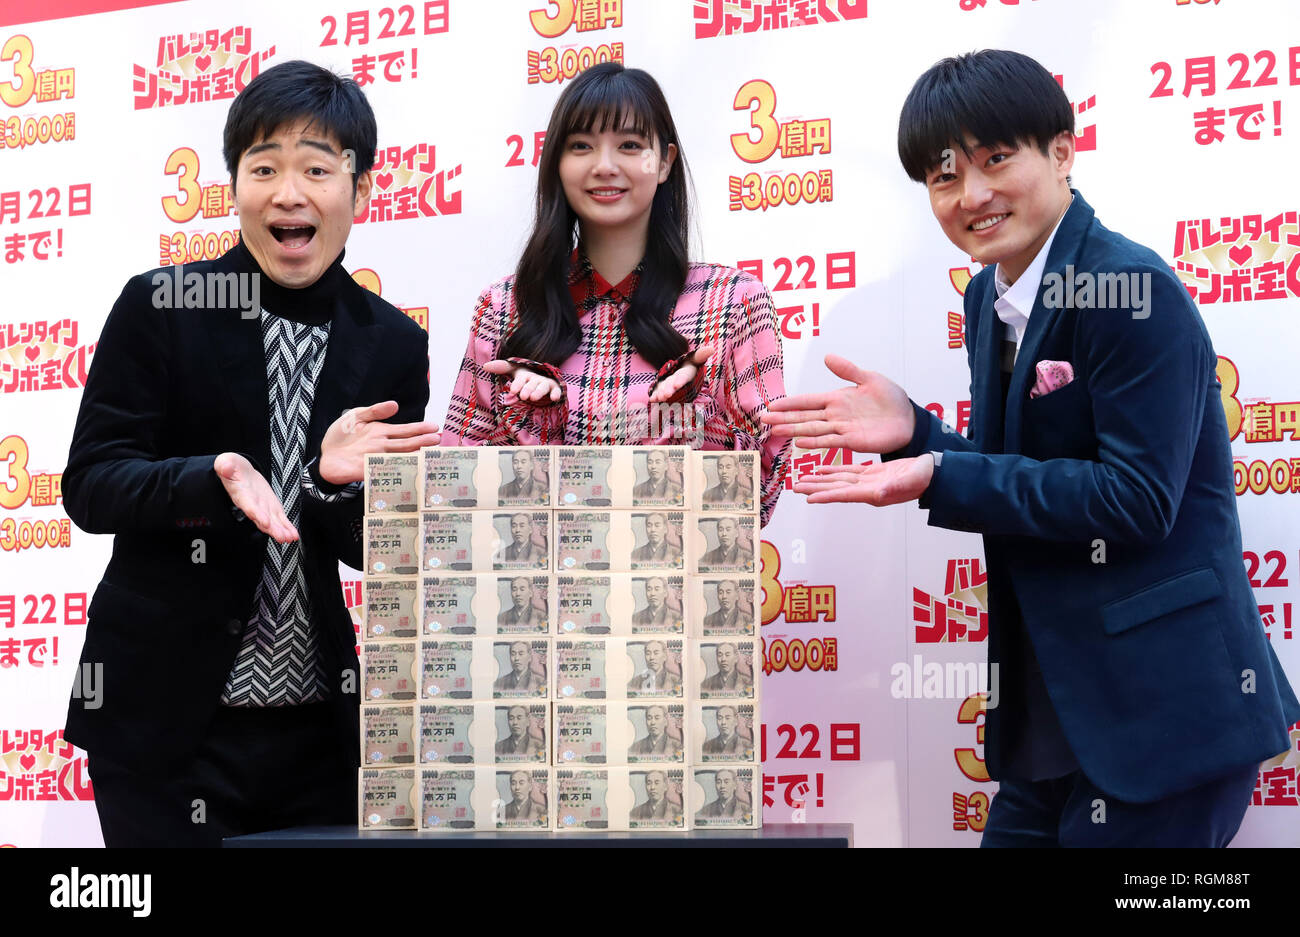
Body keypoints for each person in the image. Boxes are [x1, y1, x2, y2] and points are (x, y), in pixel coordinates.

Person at [764, 49, 1300, 848]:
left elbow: (1134, 500)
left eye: (996, 158)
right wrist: (918, 430)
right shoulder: (991, 293)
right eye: (946, 176)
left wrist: (939, 469)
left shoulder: (1131, 290)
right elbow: (1018, 472)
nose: (972, 194)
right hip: (1052, 721)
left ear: (1062, 151)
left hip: (1161, 723)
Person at [60, 61, 439, 847]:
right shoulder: (161, 306)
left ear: (360, 191)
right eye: (263, 167)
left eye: (316, 168)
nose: (288, 192)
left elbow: (387, 550)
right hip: (163, 726)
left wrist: (333, 488)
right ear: (233, 186)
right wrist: (209, 477)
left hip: (317, 737)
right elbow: (91, 486)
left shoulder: (394, 344)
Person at [439, 62, 790, 527]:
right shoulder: (505, 307)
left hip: (676, 594)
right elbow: (454, 489)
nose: (604, 166)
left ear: (664, 162)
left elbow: (760, 498)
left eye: (629, 145)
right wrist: (534, 421)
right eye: (581, 146)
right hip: (534, 598)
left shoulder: (733, 302)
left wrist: (690, 421)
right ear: (557, 164)